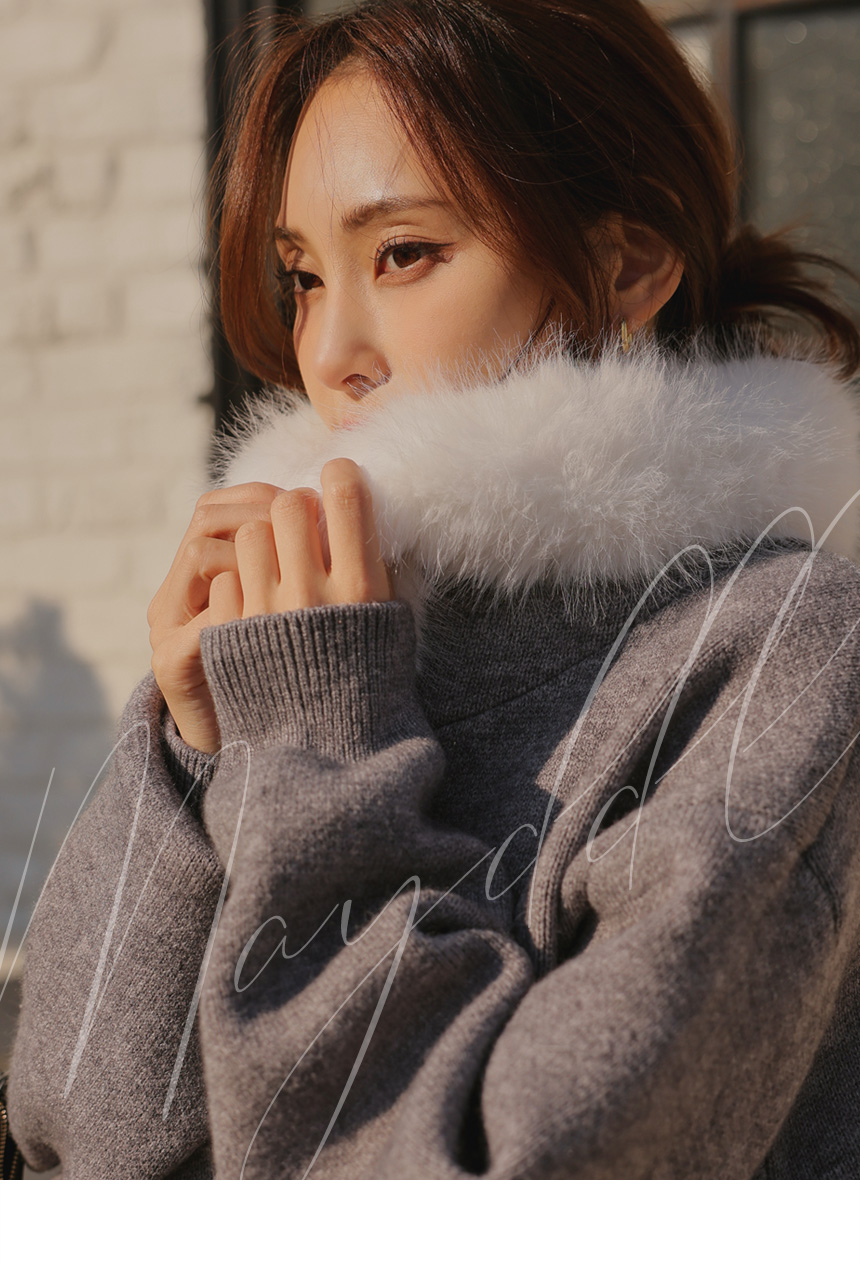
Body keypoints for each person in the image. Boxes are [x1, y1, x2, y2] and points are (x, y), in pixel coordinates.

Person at [7, 0, 860, 1180]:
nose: (328, 354)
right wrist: (195, 760)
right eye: (302, 276)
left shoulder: (783, 651)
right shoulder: (318, 639)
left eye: (402, 253)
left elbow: (504, 1186)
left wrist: (321, 749)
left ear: (627, 264)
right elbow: (82, 1158)